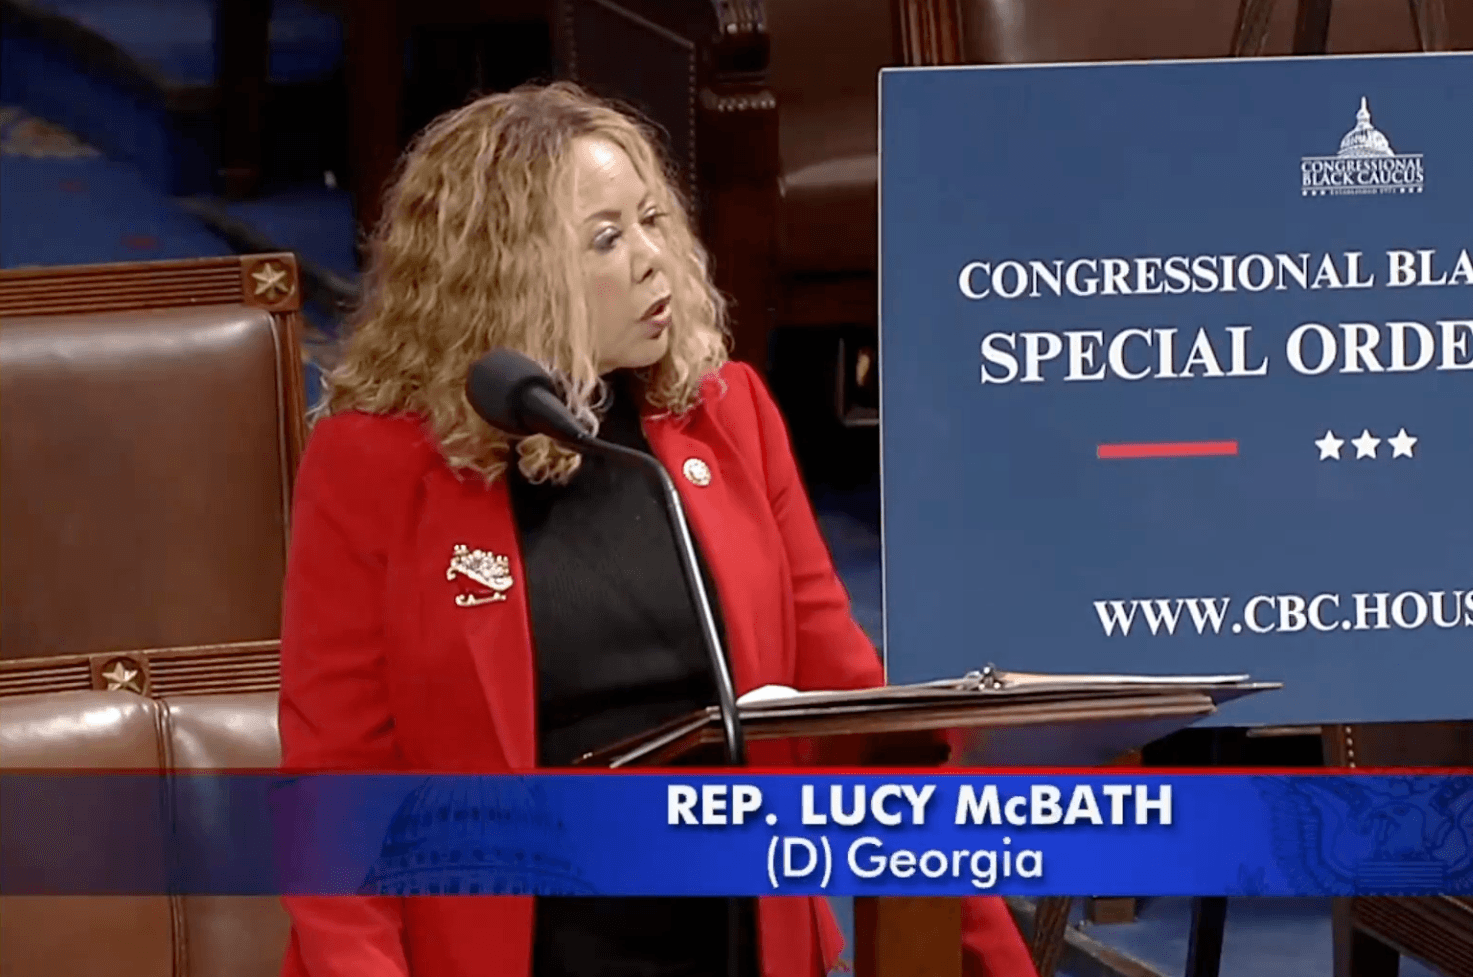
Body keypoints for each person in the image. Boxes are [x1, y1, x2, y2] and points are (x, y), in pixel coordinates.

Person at [278, 82, 1039, 977]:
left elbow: (861, 725)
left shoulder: (727, 416)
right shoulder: (375, 463)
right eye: (606, 239)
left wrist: (998, 964)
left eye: (651, 221)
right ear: (507, 276)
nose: (654, 260)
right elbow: (337, 783)